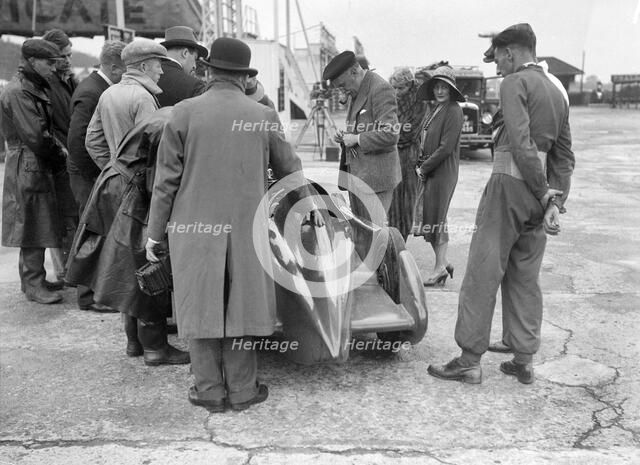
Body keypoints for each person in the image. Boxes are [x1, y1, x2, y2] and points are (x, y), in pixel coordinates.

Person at [145, 37, 319, 412]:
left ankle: (208, 390)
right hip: (246, 228)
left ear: (208, 72)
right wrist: (306, 211)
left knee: (200, 302)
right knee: (242, 303)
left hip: (192, 229)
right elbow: (291, 172)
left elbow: (165, 183)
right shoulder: (261, 115)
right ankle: (242, 390)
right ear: (244, 77)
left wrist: (154, 234)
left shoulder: (183, 113)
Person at [428, 23, 574, 385]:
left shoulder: (514, 83)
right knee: (525, 274)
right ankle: (523, 357)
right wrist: (555, 199)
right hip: (541, 196)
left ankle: (468, 360)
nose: (498, 66)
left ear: (510, 53)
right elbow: (564, 154)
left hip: (509, 185)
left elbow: (521, 142)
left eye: (499, 58)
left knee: (483, 270)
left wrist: (541, 191)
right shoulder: (558, 91)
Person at [66, 108, 189, 365]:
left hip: (116, 184)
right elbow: (159, 185)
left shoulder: (170, 114)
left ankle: (135, 340)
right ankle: (155, 347)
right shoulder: (174, 126)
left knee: (127, 266)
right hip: (130, 190)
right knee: (150, 262)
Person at [0, 39, 75, 304]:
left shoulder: (29, 87)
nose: (53, 68)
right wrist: (60, 153)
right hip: (28, 163)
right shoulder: (20, 91)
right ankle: (32, 284)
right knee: (31, 223)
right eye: (49, 62)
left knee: (36, 221)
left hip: (31, 162)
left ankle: (33, 280)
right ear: (32, 61)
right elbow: (36, 135)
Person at [66, 40, 126, 313]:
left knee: (96, 230)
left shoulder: (98, 88)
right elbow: (77, 141)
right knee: (92, 231)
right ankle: (88, 295)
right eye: (126, 69)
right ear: (114, 67)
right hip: (87, 175)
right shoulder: (92, 92)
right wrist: (99, 176)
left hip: (91, 173)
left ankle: (93, 291)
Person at [323, 51, 401, 260]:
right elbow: (361, 127)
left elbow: (390, 133)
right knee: (363, 237)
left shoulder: (380, 88)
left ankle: (381, 286)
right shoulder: (358, 90)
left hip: (376, 179)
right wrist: (346, 137)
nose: (342, 90)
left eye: (342, 84)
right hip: (358, 176)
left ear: (355, 71)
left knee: (374, 238)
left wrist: (356, 139)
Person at [412, 66, 464, 286]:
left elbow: (445, 148)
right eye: (437, 87)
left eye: (445, 87)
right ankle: (443, 262)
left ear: (451, 90)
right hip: (432, 169)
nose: (440, 91)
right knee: (430, 217)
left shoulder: (453, 110)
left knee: (437, 219)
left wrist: (424, 168)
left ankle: (439, 268)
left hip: (443, 171)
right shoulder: (436, 109)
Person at [86, 38, 168, 169]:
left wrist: (113, 169)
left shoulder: (108, 94)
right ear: (143, 67)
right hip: (138, 182)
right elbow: (151, 147)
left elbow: (92, 141)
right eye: (158, 66)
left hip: (118, 181)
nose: (161, 71)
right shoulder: (143, 98)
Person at [42, 29, 79, 285]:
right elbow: (47, 125)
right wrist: (62, 150)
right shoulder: (47, 84)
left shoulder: (67, 80)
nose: (68, 59)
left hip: (69, 154)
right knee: (63, 217)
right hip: (59, 157)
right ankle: (65, 271)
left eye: (70, 54)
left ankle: (70, 269)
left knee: (72, 214)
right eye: (64, 55)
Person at [387, 67, 427, 241]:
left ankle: (402, 239)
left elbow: (411, 133)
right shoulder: (390, 99)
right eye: (394, 88)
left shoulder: (420, 101)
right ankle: (395, 239)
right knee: (393, 201)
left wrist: (389, 136)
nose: (396, 92)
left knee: (407, 200)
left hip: (410, 156)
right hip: (393, 154)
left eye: (400, 88)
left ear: (410, 85)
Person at [157, 26, 207, 107]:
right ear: (185, 53)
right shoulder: (194, 86)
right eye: (194, 58)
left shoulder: (148, 77)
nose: (194, 66)